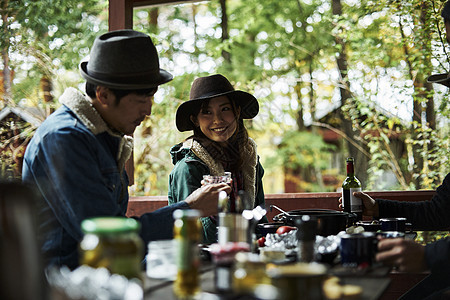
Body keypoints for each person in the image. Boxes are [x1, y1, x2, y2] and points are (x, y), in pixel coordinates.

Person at [22, 30, 231, 270]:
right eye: (142, 100)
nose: (149, 111)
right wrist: (189, 209)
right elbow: (109, 236)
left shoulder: (103, 137)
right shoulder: (64, 139)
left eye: (151, 99)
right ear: (104, 95)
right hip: (64, 286)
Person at [168, 74, 268, 244]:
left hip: (245, 254)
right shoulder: (188, 167)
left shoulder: (250, 161)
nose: (217, 120)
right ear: (195, 120)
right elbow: (193, 235)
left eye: (225, 109)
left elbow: (259, 218)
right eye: (206, 112)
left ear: (237, 112)